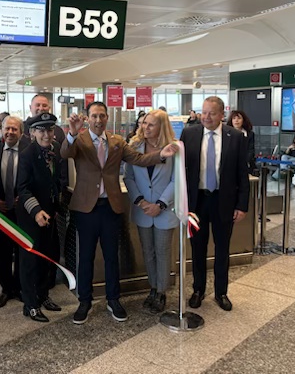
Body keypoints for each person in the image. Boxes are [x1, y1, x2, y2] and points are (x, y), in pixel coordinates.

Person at [62, 101, 178, 325]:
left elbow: (139, 159)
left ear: (107, 118)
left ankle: (113, 299)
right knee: (85, 257)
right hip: (86, 209)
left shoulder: (117, 142)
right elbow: (65, 152)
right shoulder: (80, 140)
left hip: (110, 207)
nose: (98, 120)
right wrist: (72, 133)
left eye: (102, 116)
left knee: (111, 256)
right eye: (94, 116)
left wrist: (161, 155)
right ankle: (84, 301)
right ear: (88, 118)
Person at [181, 96, 249, 312]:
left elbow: (242, 173)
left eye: (211, 113)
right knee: (197, 247)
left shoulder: (235, 137)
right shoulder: (189, 134)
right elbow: (181, 170)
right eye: (203, 112)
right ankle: (198, 289)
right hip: (197, 202)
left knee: (222, 248)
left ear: (221, 115)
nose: (206, 117)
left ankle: (221, 292)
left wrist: (242, 205)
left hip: (223, 201)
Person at [123, 110, 179, 314]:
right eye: (144, 123)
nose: (145, 127)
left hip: (164, 209)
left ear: (161, 127)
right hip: (143, 209)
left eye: (151, 124)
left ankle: (161, 291)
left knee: (163, 252)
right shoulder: (134, 146)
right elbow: (128, 177)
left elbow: (176, 180)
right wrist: (141, 201)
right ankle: (153, 288)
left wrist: (160, 204)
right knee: (148, 252)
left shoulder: (173, 148)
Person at [17, 113, 63, 322]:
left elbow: (56, 181)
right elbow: (23, 188)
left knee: (47, 257)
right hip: (31, 216)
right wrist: (36, 211)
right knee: (30, 261)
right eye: (41, 130)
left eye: (50, 129)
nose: (46, 134)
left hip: (50, 214)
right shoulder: (27, 155)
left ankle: (43, 295)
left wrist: (57, 206)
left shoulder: (55, 150)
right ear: (32, 132)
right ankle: (30, 304)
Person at [0, 115, 30, 308]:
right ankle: (6, 289)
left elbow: (32, 180)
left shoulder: (28, 152)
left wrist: (22, 199)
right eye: (7, 128)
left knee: (21, 251)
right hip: (1, 212)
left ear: (21, 133)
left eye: (14, 129)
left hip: (21, 212)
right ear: (1, 130)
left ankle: (19, 287)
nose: (10, 132)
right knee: (3, 252)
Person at [227, 110, 256, 175]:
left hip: (246, 166)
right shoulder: (226, 133)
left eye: (239, 118)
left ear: (243, 120)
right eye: (234, 118)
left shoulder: (250, 134)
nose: (236, 120)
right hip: (229, 166)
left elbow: (250, 151)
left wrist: (243, 163)